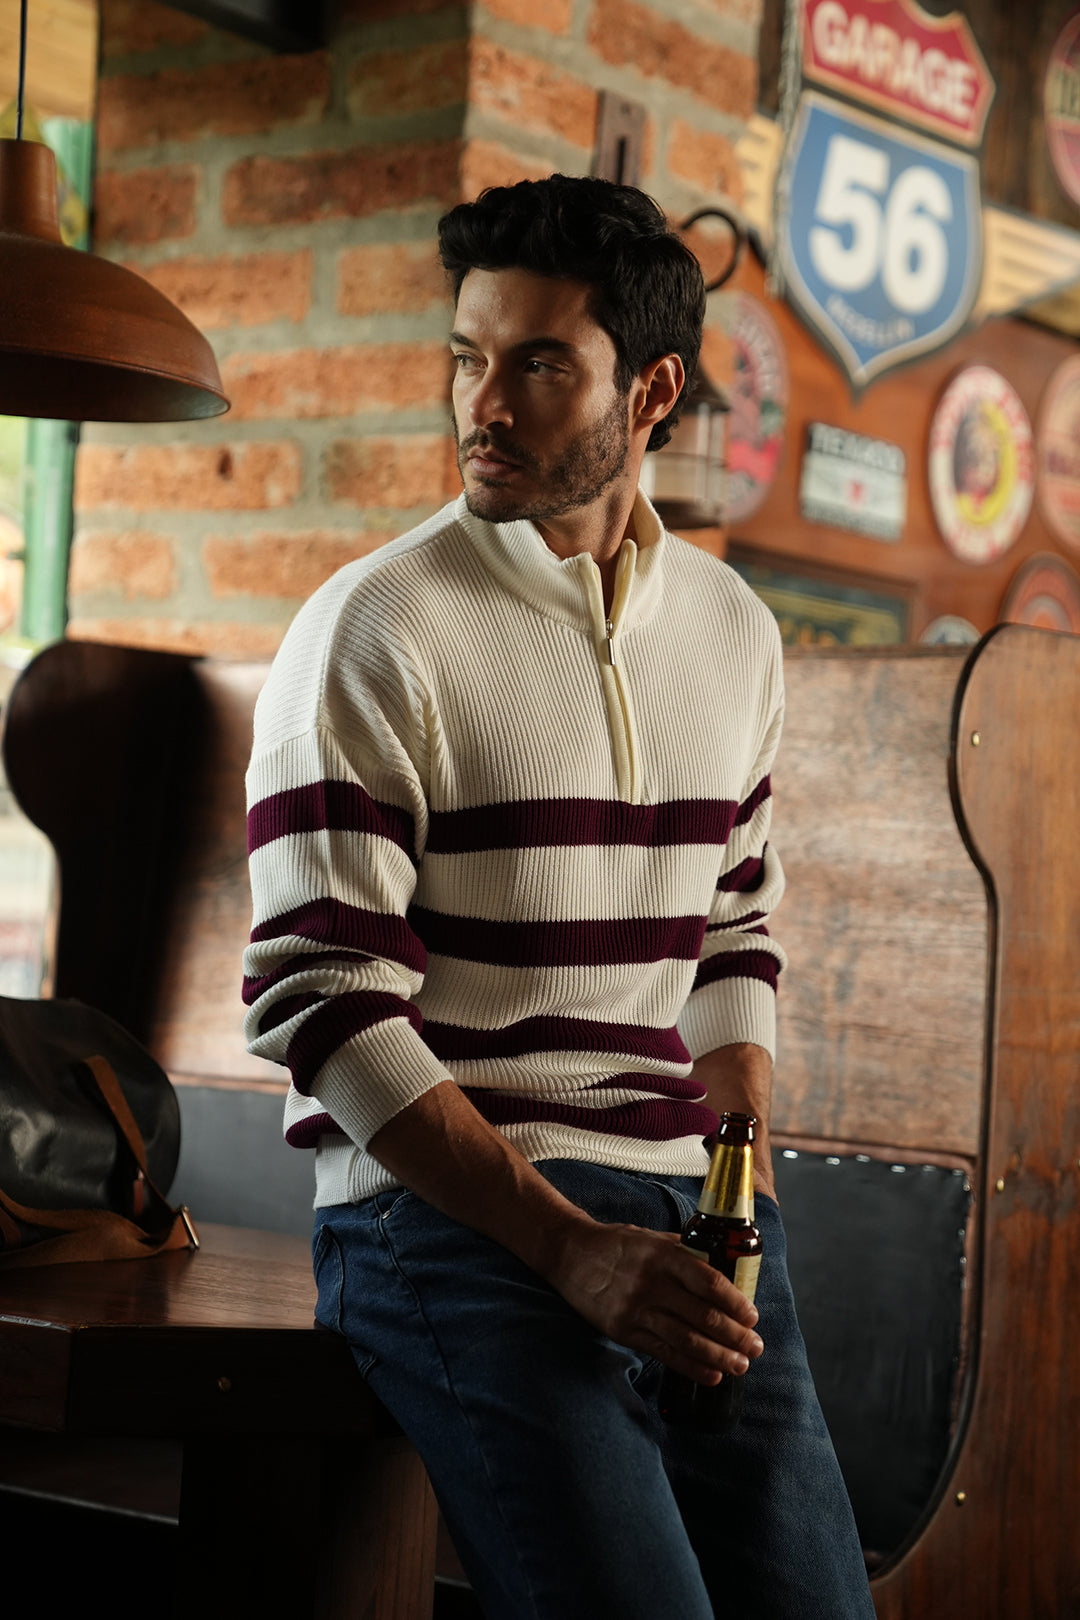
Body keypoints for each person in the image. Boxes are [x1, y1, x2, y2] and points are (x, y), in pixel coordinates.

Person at [243, 174, 875, 1620]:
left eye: (537, 364)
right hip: (442, 1219)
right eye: (467, 356)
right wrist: (570, 1248)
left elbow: (733, 927)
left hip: (690, 1205)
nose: (482, 404)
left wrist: (740, 1178)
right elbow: (320, 1002)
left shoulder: (733, 631)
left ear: (650, 392)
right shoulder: (371, 628)